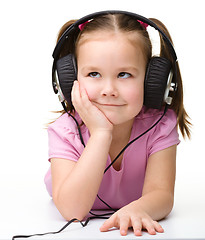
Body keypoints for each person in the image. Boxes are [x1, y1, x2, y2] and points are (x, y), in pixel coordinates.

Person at [44, 11, 191, 236]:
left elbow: (161, 195)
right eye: (94, 73)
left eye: (124, 75)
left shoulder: (159, 126)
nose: (109, 90)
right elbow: (73, 211)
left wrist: (138, 209)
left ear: (153, 81)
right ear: (69, 80)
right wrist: (102, 133)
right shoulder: (66, 131)